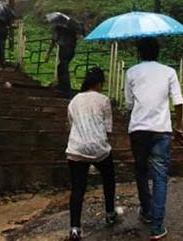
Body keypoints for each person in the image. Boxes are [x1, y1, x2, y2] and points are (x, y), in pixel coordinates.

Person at [124, 37, 183, 241]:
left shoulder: (131, 72)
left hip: (138, 130)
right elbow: (178, 102)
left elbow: (129, 104)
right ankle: (157, 227)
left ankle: (147, 211)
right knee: (160, 177)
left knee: (141, 171)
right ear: (158, 52)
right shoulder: (169, 72)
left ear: (140, 53)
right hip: (161, 130)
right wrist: (179, 127)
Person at [66, 68, 121, 241]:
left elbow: (70, 123)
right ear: (99, 83)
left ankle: (75, 228)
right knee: (109, 179)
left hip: (77, 148)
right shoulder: (103, 100)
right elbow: (107, 129)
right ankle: (110, 212)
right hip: (99, 148)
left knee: (77, 188)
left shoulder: (74, 101)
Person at [50, 25, 78, 96]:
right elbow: (75, 39)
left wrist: (48, 52)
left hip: (64, 49)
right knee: (61, 67)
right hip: (71, 50)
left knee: (63, 68)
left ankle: (66, 89)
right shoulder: (72, 28)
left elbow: (54, 39)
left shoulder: (58, 27)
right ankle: (62, 86)